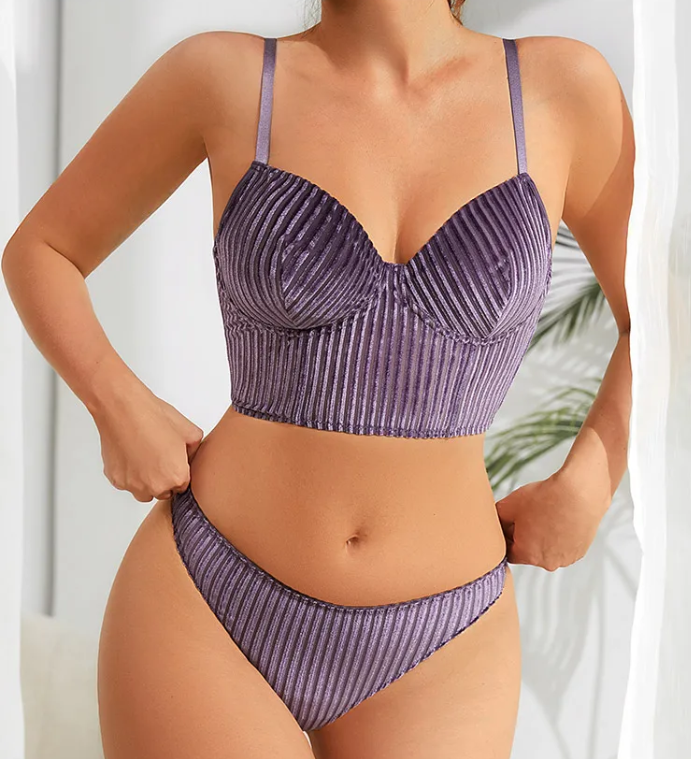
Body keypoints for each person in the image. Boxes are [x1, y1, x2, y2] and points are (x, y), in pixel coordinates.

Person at [1, 1, 634, 757]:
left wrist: (590, 480)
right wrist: (117, 404)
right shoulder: (224, 76)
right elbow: (42, 249)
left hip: (442, 643)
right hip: (212, 599)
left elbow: (662, 314)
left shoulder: (563, 89)